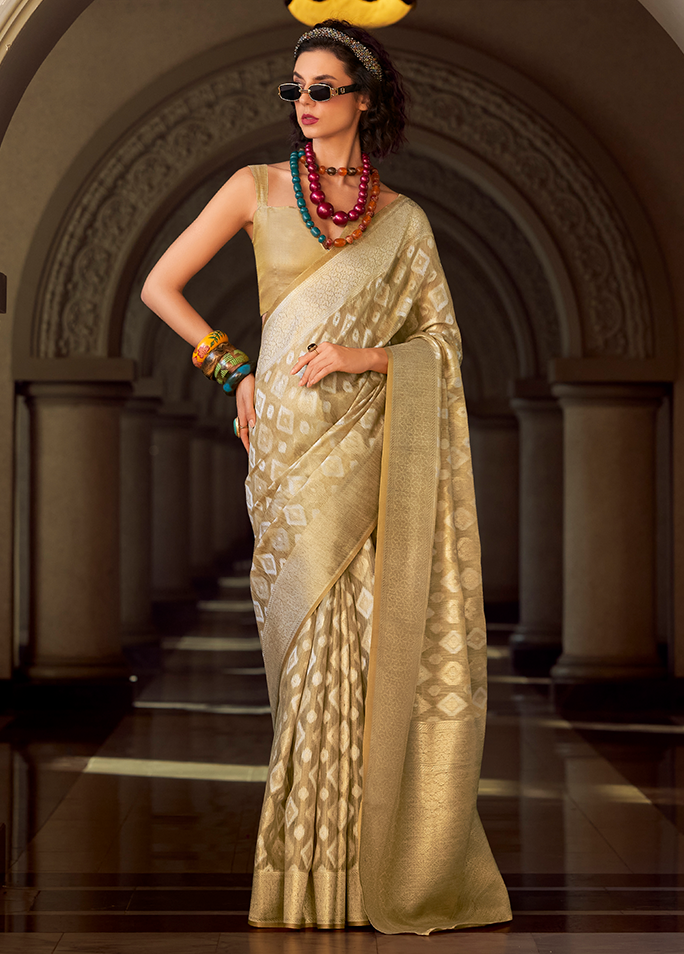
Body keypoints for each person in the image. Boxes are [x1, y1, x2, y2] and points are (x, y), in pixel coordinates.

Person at [141, 18, 512, 936]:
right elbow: (160, 285)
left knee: (370, 652)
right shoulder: (256, 188)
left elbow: (443, 345)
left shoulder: (402, 221)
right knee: (308, 654)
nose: (303, 104)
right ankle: (304, 874)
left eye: (321, 88)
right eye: (294, 90)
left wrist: (367, 357)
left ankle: (365, 867)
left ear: (363, 98)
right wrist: (232, 369)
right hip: (287, 450)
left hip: (372, 447)